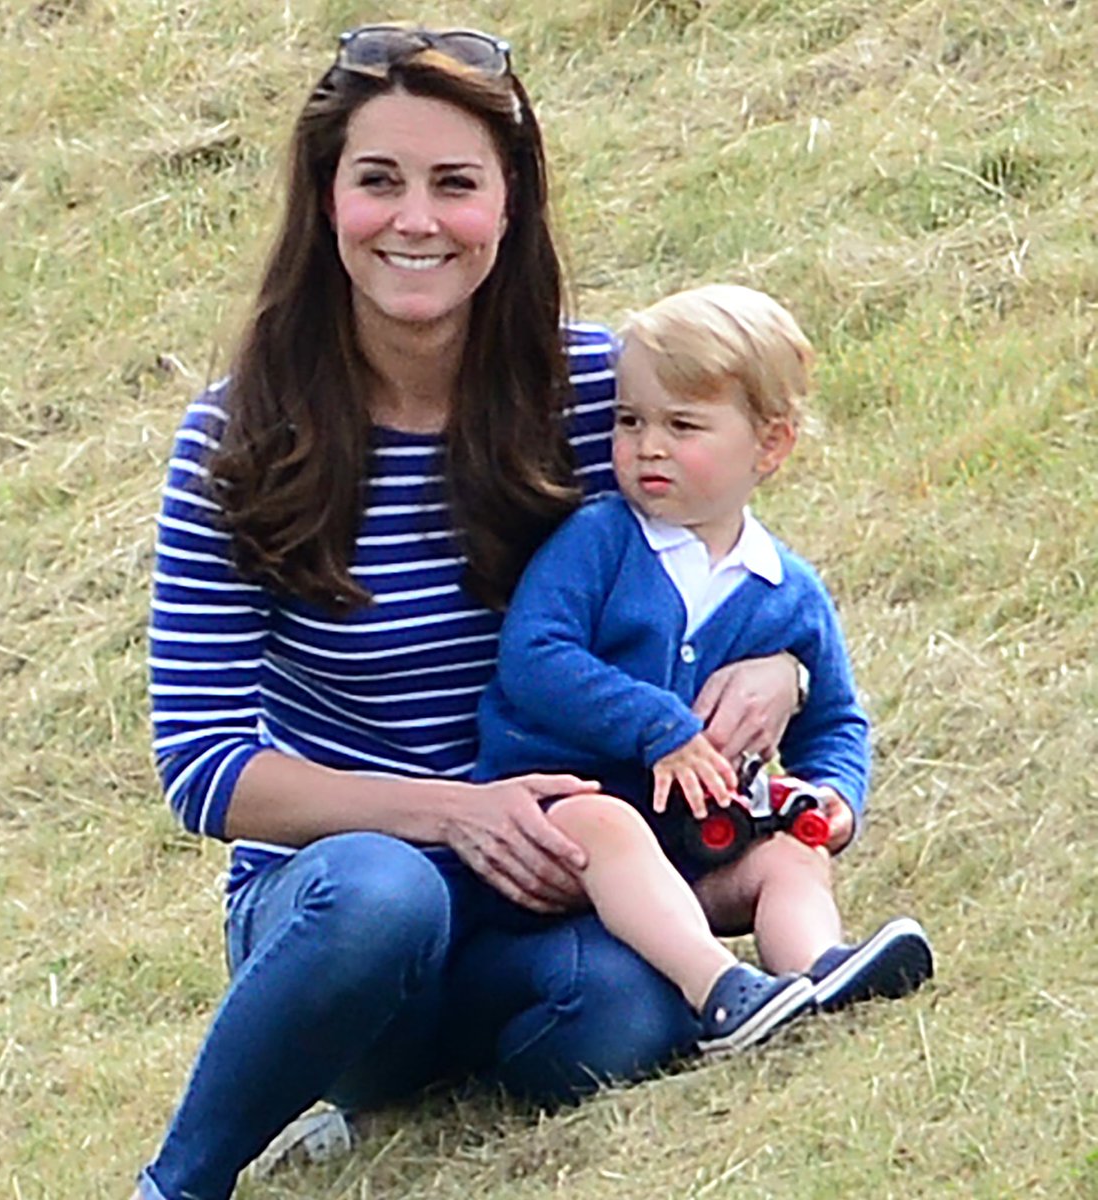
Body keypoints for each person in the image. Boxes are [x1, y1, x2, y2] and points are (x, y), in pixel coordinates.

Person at [136, 27, 804, 1200]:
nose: (416, 221)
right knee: (382, 899)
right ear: (326, 197)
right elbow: (202, 768)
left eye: (456, 184)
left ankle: (375, 1092)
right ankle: (182, 1177)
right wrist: (455, 814)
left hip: (549, 890)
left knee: (623, 1017)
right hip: (340, 897)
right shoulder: (235, 439)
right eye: (378, 179)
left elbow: (724, 565)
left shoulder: (603, 391)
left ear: (509, 205)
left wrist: (784, 676)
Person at [473, 283, 934, 1058]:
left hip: (694, 853)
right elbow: (533, 658)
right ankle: (719, 991)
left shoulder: (787, 589)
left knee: (791, 855)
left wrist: (832, 798)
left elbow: (837, 721)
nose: (649, 445)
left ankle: (816, 968)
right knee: (610, 822)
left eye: (682, 425)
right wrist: (662, 728)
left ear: (770, 446)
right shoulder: (599, 541)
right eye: (630, 421)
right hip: (562, 825)